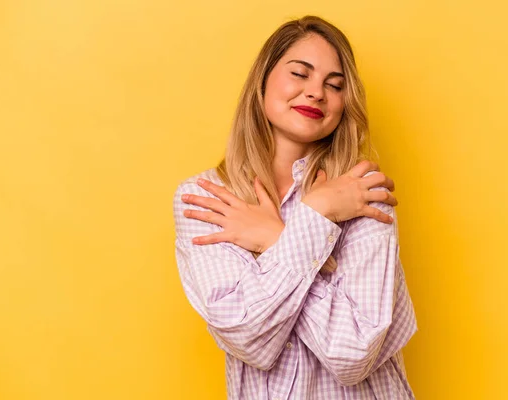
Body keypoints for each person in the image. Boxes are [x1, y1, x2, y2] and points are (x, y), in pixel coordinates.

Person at [173, 15, 418, 400]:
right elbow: (248, 337)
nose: (316, 92)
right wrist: (317, 217)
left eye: (334, 85)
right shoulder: (208, 197)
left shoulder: (362, 192)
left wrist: (278, 235)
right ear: (263, 82)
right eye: (300, 74)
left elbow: (353, 353)